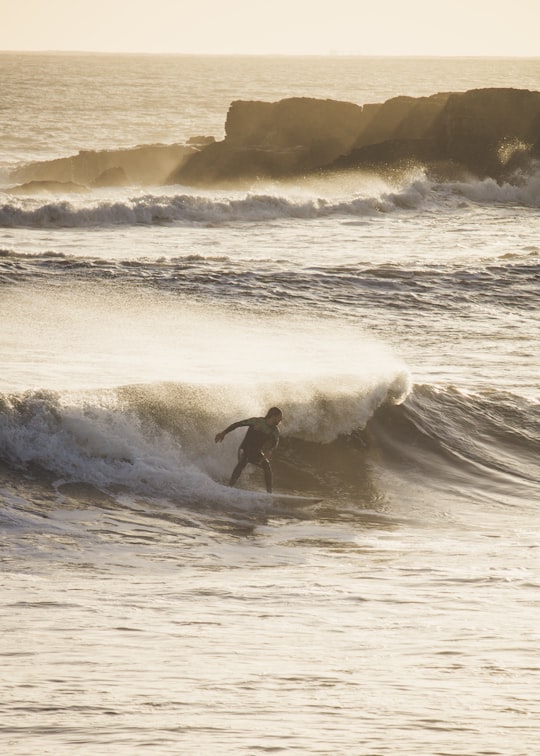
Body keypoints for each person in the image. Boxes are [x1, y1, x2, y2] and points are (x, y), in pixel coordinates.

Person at [215, 407, 283, 493]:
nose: (281, 420)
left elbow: (275, 442)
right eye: (279, 417)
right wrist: (223, 433)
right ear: (273, 416)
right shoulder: (256, 421)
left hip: (256, 453)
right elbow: (238, 424)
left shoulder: (275, 431)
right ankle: (230, 487)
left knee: (267, 466)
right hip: (244, 449)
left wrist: (269, 450)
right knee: (244, 460)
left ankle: (269, 493)